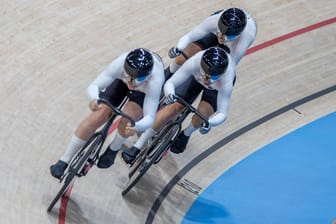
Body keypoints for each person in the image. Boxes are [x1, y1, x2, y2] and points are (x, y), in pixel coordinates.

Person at [50, 48, 165, 179]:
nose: (133, 82)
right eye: (130, 76)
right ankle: (64, 160)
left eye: (138, 79)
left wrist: (137, 126)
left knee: (128, 119)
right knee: (99, 115)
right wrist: (94, 99)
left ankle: (113, 149)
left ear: (148, 75)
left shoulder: (155, 81)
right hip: (121, 82)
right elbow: (94, 86)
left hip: (143, 93)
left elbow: (150, 116)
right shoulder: (119, 64)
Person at [121, 47, 236, 163]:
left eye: (213, 77)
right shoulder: (195, 62)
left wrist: (209, 123)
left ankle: (186, 133)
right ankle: (137, 146)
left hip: (215, 89)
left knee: (202, 115)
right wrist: (170, 93)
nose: (208, 80)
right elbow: (171, 82)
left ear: (221, 74)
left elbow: (222, 113)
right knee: (174, 107)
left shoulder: (226, 80)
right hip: (195, 78)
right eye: (205, 74)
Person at [165, 7, 257, 77]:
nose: (222, 37)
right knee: (185, 54)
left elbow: (230, 67)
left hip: (232, 44)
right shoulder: (214, 21)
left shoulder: (244, 40)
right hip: (214, 31)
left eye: (229, 35)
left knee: (215, 69)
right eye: (221, 32)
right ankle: (168, 73)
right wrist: (178, 48)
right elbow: (189, 37)